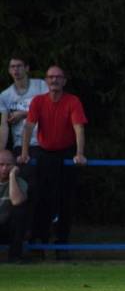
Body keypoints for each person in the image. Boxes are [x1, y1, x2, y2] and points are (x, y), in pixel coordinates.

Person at [18, 65, 87, 258]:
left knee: (66, 200)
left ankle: (62, 245)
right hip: (45, 152)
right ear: (46, 81)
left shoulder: (72, 101)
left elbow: (79, 128)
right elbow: (29, 127)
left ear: (64, 81)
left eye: (58, 77)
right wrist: (24, 153)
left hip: (66, 152)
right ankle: (38, 243)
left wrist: (80, 154)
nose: (54, 80)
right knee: (41, 199)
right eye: (50, 77)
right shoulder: (38, 101)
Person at [0, 57, 48, 156]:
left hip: (43, 142)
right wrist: (1, 151)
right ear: (9, 70)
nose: (15, 69)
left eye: (19, 66)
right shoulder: (4, 95)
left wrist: (24, 114)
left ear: (27, 68)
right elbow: (4, 126)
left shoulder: (41, 86)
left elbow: (50, 112)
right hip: (20, 145)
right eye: (12, 67)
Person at [0, 150, 29, 262]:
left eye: (8, 165)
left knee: (20, 211)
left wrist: (12, 176)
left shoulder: (20, 182)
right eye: (1, 164)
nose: (4, 168)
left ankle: (15, 257)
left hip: (8, 230)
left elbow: (16, 201)